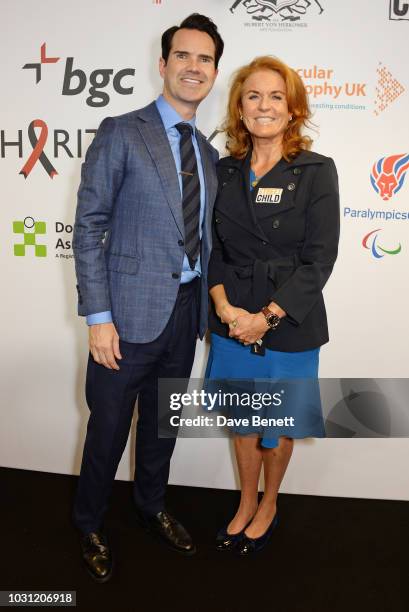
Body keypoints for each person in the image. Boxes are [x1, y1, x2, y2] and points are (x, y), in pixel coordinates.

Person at [72, 13, 223, 581]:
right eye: (182, 56)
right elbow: (89, 226)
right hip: (125, 318)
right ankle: (88, 522)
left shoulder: (207, 155)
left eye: (204, 59)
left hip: (185, 316)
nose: (193, 67)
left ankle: (151, 507)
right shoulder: (122, 131)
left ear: (213, 72)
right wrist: (99, 317)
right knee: (108, 430)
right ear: (163, 65)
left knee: (161, 424)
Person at [206, 55, 340, 556]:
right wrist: (224, 309)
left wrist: (267, 318)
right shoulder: (223, 170)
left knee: (276, 426)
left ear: (293, 109)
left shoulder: (316, 170)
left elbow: (320, 259)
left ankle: (270, 504)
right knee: (243, 422)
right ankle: (244, 502)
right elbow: (212, 249)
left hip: (288, 320)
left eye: (276, 96)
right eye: (253, 96)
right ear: (240, 110)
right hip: (232, 319)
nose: (264, 105)